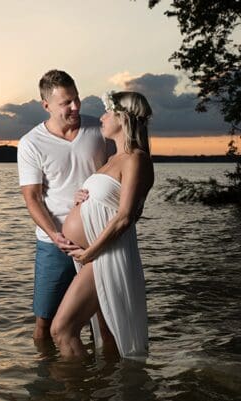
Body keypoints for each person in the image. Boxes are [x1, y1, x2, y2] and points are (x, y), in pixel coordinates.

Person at [50, 90, 154, 359]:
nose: (102, 117)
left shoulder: (137, 159)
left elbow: (125, 216)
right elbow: (106, 201)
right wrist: (80, 198)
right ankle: (105, 388)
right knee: (106, 339)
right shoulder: (112, 159)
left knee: (61, 330)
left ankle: (76, 392)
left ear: (124, 118)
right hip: (93, 256)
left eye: (108, 112)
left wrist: (89, 253)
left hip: (104, 256)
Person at [17, 70, 109, 341]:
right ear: (46, 105)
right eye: (66, 102)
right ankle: (46, 380)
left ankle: (100, 380)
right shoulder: (31, 143)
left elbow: (121, 172)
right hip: (54, 244)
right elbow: (32, 198)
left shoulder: (99, 129)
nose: (75, 107)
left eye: (77, 99)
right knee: (45, 322)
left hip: (98, 239)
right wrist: (55, 236)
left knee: (102, 322)